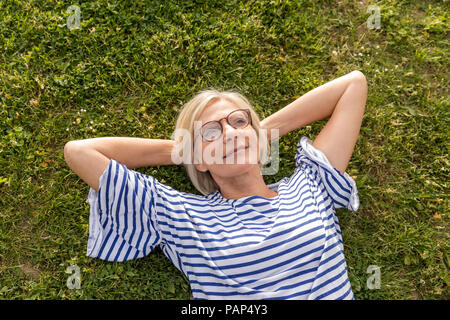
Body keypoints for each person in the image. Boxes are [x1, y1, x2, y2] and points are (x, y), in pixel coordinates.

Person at [64, 70, 367, 299]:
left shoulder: (311, 184)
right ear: (200, 161)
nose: (230, 133)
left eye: (238, 121)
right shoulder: (183, 216)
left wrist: (259, 133)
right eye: (211, 131)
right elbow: (80, 152)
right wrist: (183, 150)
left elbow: (353, 85)